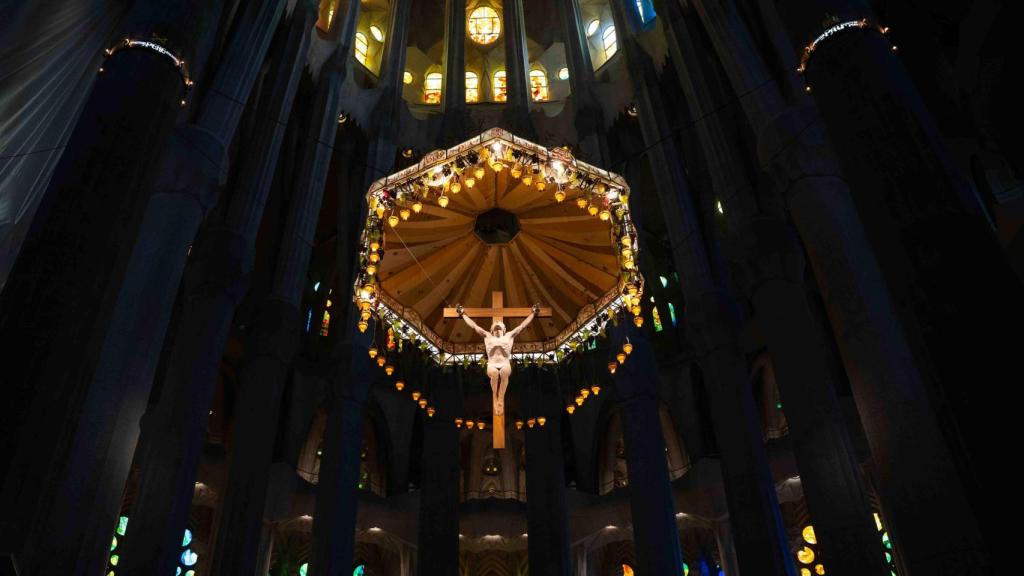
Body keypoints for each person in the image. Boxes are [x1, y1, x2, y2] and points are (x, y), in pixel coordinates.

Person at [457, 303, 539, 417]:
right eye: (495, 325)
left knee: (504, 372)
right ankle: (495, 397)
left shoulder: (509, 336)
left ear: (504, 329)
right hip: (492, 364)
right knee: (495, 374)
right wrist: (463, 314)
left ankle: (500, 398)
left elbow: (522, 326)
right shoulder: (487, 336)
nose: (497, 324)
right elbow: (474, 326)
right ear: (491, 330)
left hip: (505, 363)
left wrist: (533, 313)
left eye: (499, 324)